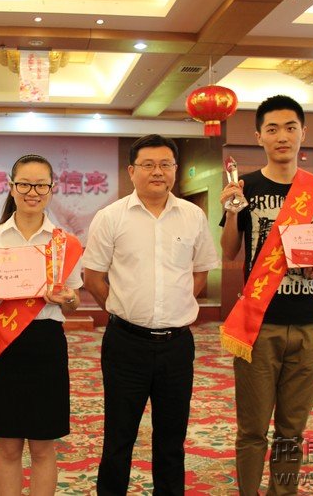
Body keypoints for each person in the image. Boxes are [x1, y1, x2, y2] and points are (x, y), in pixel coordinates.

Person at [219, 95, 313, 495]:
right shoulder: (245, 186)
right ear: (259, 136)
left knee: (292, 431)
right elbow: (229, 251)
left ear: (303, 132)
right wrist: (233, 212)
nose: (282, 136)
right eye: (272, 129)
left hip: (308, 324)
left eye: (291, 127)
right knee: (252, 429)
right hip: (258, 323)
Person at [83, 134, 219, 495]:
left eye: (165, 164)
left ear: (175, 169)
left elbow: (200, 272)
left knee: (172, 440)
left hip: (177, 346)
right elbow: (93, 278)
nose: (157, 171)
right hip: (125, 344)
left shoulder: (193, 216)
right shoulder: (110, 217)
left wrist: (175, 304)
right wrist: (123, 308)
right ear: (132, 171)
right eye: (148, 164)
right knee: (118, 437)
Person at [0, 154, 83, 496]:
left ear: (52, 188)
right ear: (11, 186)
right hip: (2, 346)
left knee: (44, 446)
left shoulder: (64, 242)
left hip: (46, 344)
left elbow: (74, 300)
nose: (33, 192)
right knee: (7, 446)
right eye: (25, 185)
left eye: (41, 185)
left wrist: (66, 298)